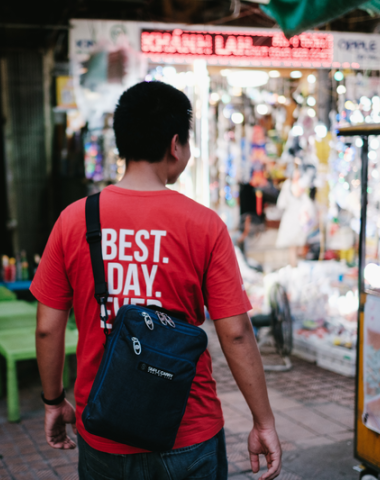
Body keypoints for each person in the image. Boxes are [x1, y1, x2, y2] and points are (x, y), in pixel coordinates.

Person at [31, 81, 281, 480]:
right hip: (188, 431)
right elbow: (235, 333)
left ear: (121, 142)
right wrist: (263, 421)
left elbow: (47, 329)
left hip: (103, 428)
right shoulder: (205, 226)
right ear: (175, 144)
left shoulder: (73, 219)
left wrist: (52, 401)